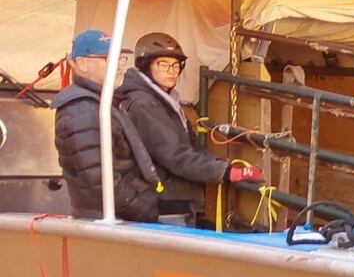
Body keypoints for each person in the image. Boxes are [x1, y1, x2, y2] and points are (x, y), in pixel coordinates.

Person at [51, 27, 258, 222]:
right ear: (82, 64)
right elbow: (101, 179)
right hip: (125, 213)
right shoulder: (86, 110)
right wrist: (143, 207)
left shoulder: (113, 102)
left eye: (121, 59)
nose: (119, 66)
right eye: (109, 59)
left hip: (124, 212)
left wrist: (220, 165)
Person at [118, 32, 260, 220]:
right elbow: (174, 155)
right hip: (163, 201)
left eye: (176, 65)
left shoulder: (167, 100)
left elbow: (190, 145)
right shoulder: (144, 104)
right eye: (163, 64)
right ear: (145, 66)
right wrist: (224, 172)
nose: (172, 71)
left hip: (172, 196)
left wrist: (217, 164)